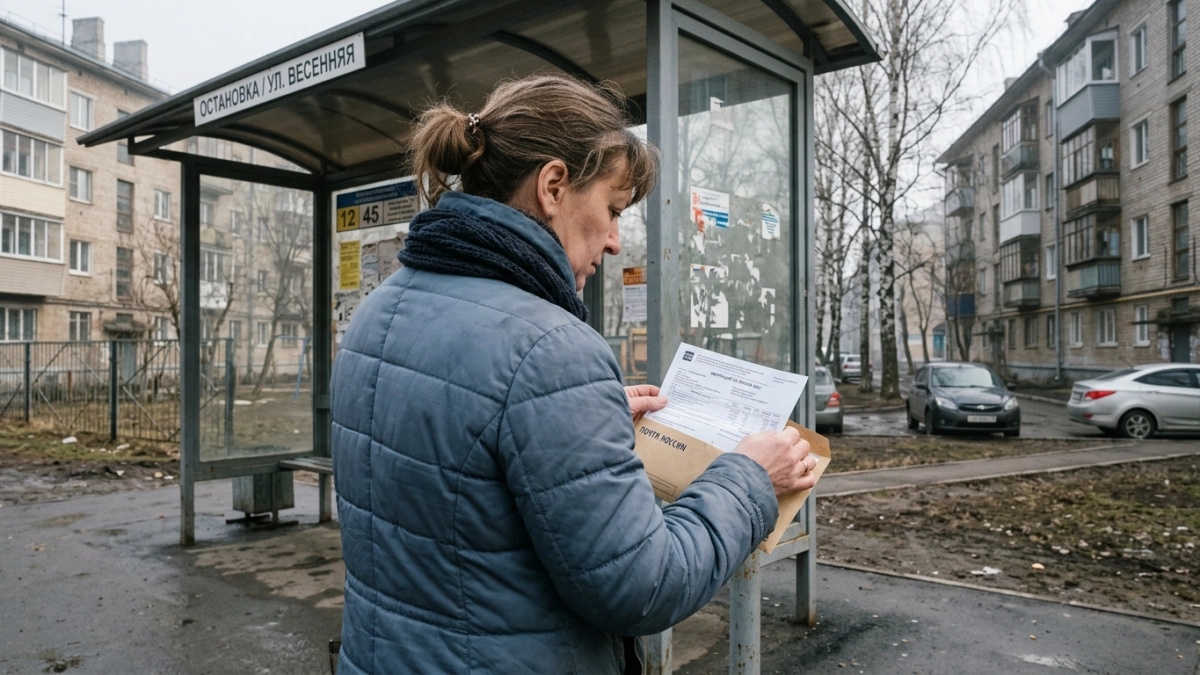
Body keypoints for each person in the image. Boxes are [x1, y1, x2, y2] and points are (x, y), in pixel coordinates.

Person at [330, 74, 815, 675]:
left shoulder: (379, 310)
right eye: (611, 210)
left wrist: (587, 412)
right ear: (554, 186)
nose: (615, 242)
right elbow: (643, 587)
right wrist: (749, 479)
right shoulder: (551, 348)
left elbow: (456, 481)